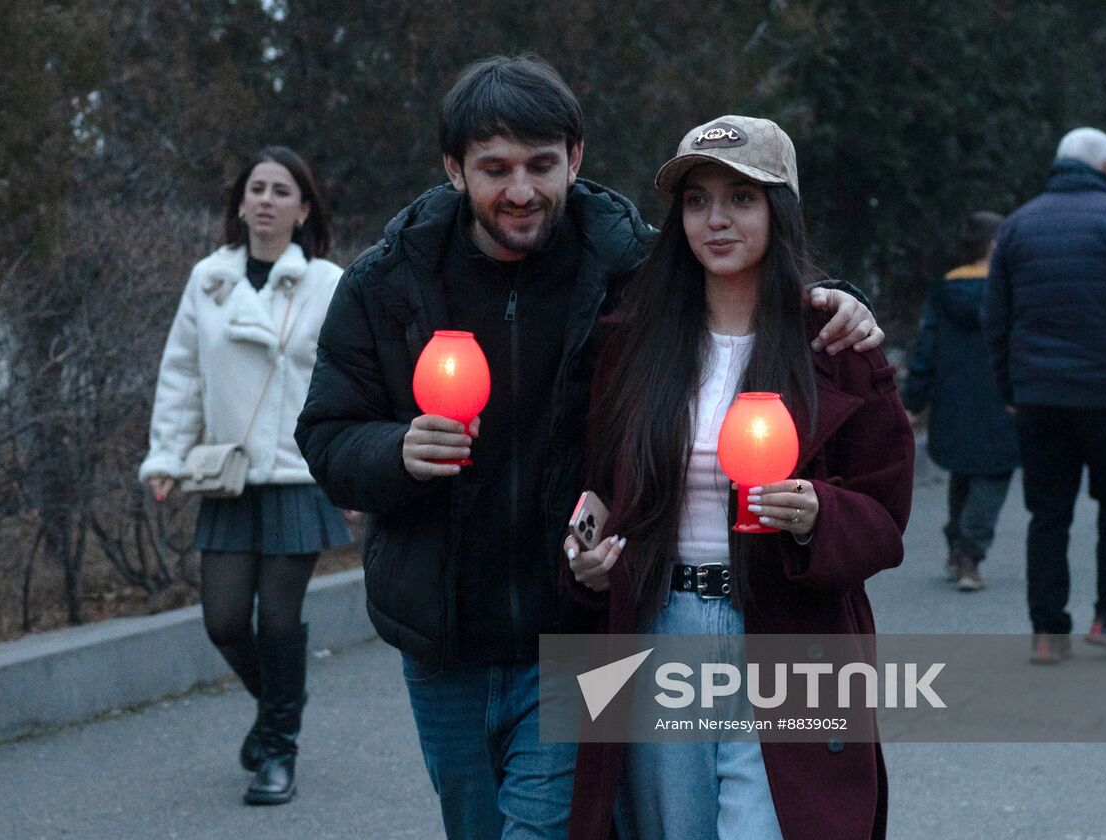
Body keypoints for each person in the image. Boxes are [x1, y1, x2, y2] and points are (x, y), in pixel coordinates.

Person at [295, 56, 883, 840]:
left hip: (575, 630)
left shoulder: (624, 266)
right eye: (494, 168)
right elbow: (326, 434)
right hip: (445, 633)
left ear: (575, 157)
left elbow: (739, 266)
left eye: (542, 165)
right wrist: (396, 451)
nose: (521, 190)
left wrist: (841, 302)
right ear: (453, 169)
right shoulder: (388, 284)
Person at [563, 115, 913, 840]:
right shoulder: (634, 345)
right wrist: (586, 553)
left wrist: (818, 512)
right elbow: (599, 489)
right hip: (663, 628)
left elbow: (884, 520)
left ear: (778, 210)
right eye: (696, 201)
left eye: (741, 198)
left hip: (790, 631)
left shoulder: (837, 345)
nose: (716, 220)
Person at [139, 146, 352, 805]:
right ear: (238, 204)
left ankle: (278, 751)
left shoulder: (327, 283)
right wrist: (166, 456)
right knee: (225, 620)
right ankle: (281, 706)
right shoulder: (209, 278)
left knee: (280, 620)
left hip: (296, 471)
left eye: (280, 190)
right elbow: (181, 373)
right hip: (229, 476)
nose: (265, 199)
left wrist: (353, 461)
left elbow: (349, 377)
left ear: (303, 208)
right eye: (255, 188)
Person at [982, 127, 1106, 664]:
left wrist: (1009, 388)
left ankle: (1048, 634)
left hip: (1040, 400)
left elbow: (996, 319)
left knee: (1048, 514)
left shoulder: (1018, 226)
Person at [903, 211, 1019, 591]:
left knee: (962, 471)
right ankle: (969, 552)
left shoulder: (945, 291)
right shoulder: (1011, 292)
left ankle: (956, 544)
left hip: (952, 398)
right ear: (995, 246)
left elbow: (926, 348)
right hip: (1002, 399)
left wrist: (915, 399)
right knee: (994, 473)